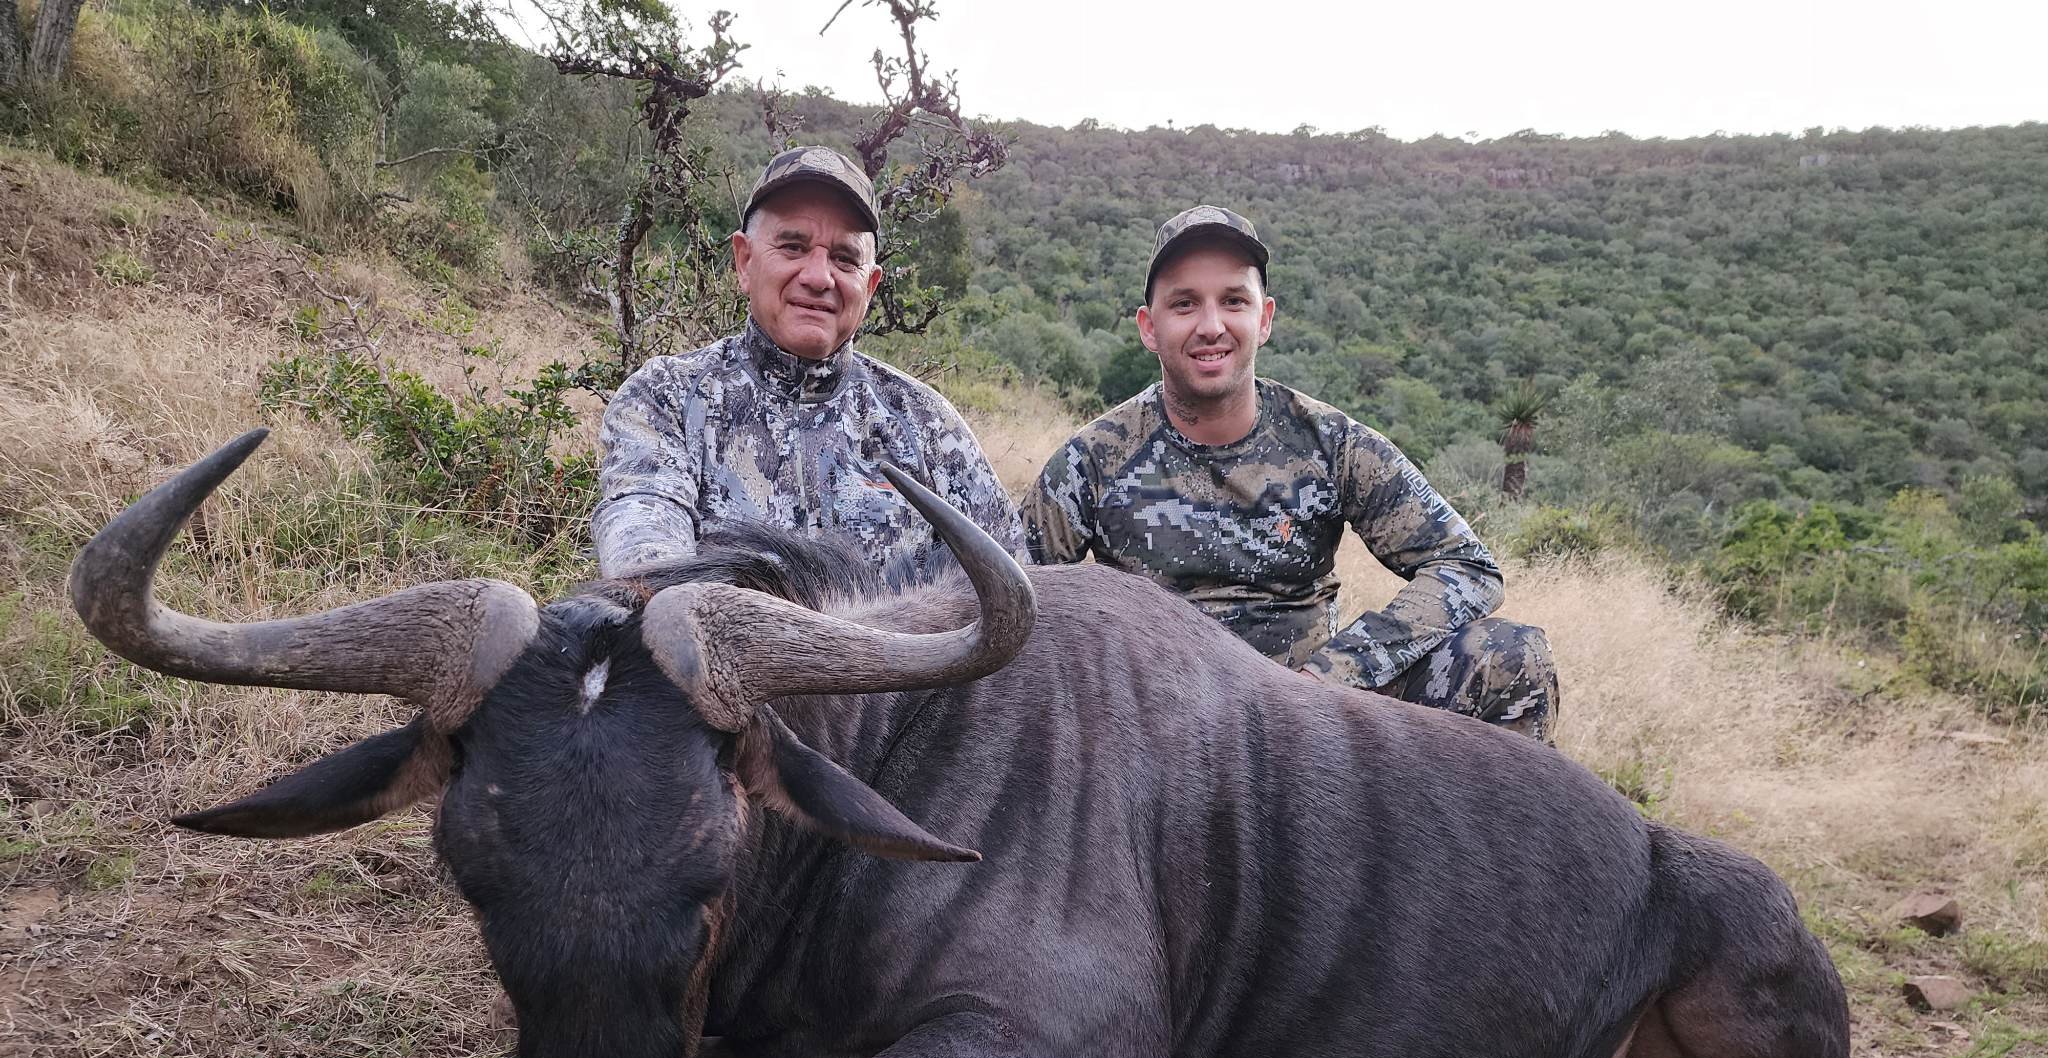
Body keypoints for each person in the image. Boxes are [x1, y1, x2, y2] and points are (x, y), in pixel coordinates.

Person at [1022, 205, 1559, 743]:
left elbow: (1467, 568)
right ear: (1150, 327)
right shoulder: (1091, 461)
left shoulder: (1332, 442)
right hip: (1157, 734)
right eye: (1184, 304)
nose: (1211, 326)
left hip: (1314, 726)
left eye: (1234, 301)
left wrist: (1328, 676)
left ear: (1265, 318)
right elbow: (1010, 605)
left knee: (1510, 656)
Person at [592, 146, 1021, 580]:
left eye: (844, 258)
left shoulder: (928, 426)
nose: (818, 277)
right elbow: (645, 560)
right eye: (793, 246)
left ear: (869, 286)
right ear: (744, 261)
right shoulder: (665, 399)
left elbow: (1013, 583)